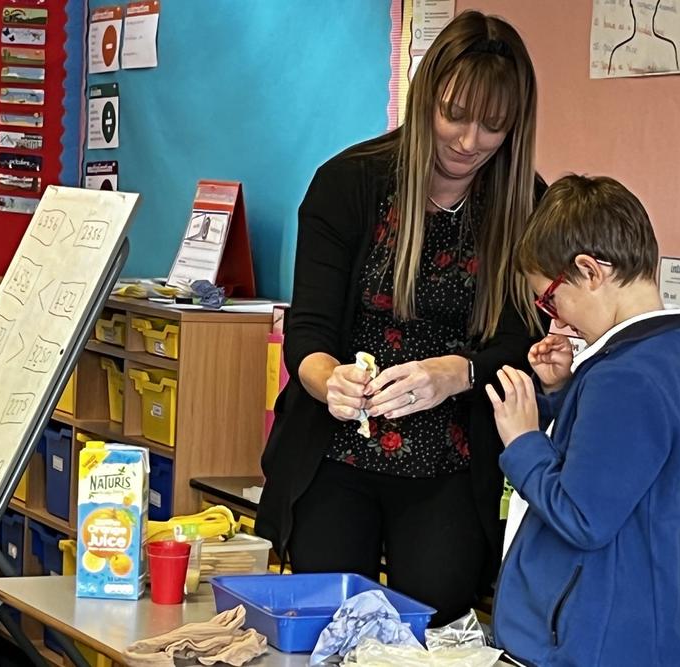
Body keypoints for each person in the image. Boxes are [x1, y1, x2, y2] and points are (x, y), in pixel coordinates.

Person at [255, 10, 543, 625]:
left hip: (453, 461)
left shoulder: (526, 205)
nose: (469, 142)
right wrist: (329, 379)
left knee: (438, 617)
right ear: (425, 99)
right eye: (454, 115)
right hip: (337, 454)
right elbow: (308, 331)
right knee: (331, 619)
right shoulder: (348, 184)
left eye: (493, 125)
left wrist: (458, 373)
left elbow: (526, 342)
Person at [487, 175, 680, 665]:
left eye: (550, 298)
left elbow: (582, 517)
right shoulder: (659, 353)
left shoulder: (626, 375)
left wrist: (522, 441)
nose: (556, 320)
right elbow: (614, 463)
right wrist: (560, 393)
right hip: (625, 633)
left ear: (589, 271)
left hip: (599, 643)